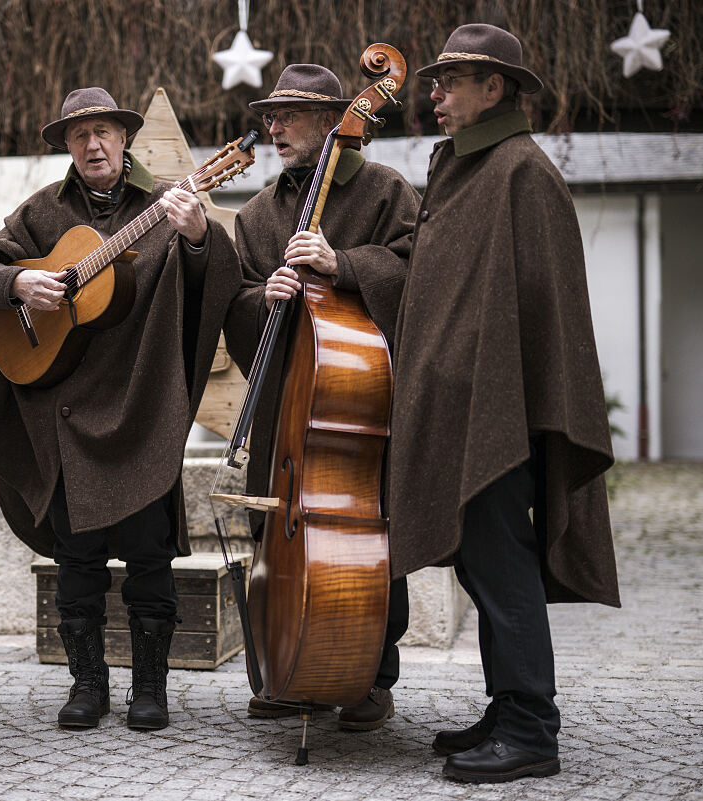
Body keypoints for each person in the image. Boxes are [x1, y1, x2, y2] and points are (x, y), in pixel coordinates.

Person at [0, 88, 240, 731]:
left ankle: (150, 689)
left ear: (124, 138)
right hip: (69, 418)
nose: (94, 145)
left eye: (104, 131)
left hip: (140, 410)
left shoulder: (165, 205)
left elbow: (217, 284)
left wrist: (196, 240)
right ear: (68, 147)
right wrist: (18, 282)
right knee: (75, 565)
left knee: (149, 561)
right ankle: (86, 685)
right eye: (80, 136)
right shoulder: (43, 214)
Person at [390, 24, 620, 783]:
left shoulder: (522, 171)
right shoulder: (465, 170)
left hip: (498, 412)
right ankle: (506, 704)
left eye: (453, 81)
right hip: (463, 407)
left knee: (499, 558)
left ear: (496, 88)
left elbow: (541, 311)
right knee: (483, 562)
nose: (436, 93)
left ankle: (531, 726)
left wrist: (497, 398)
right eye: (438, 80)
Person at [222, 64, 420, 730]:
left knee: (370, 538)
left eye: (289, 115)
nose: (273, 127)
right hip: (284, 411)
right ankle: (288, 670)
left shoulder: (386, 191)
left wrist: (346, 265)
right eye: (270, 115)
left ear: (336, 120)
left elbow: (419, 268)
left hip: (357, 406)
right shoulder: (258, 214)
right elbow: (240, 309)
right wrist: (261, 300)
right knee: (271, 537)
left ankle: (368, 675)